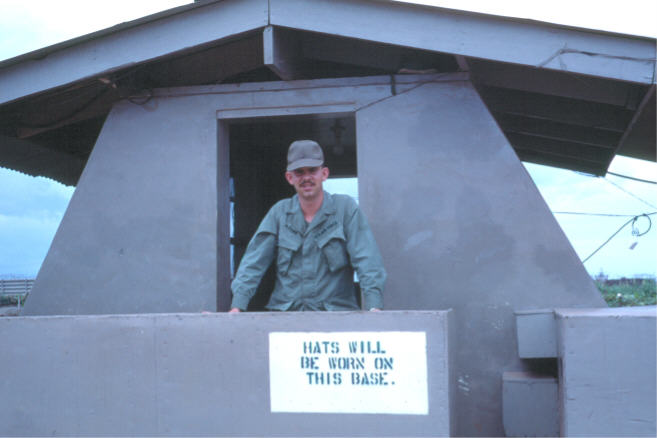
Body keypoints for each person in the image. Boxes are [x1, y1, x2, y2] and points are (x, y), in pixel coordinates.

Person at [229, 139, 386, 312]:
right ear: (290, 177)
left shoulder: (345, 209)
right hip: (286, 318)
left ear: (324, 174)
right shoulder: (278, 213)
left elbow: (367, 260)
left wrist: (374, 306)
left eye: (312, 170)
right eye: (299, 172)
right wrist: (237, 306)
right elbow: (254, 262)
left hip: (336, 317)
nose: (306, 178)